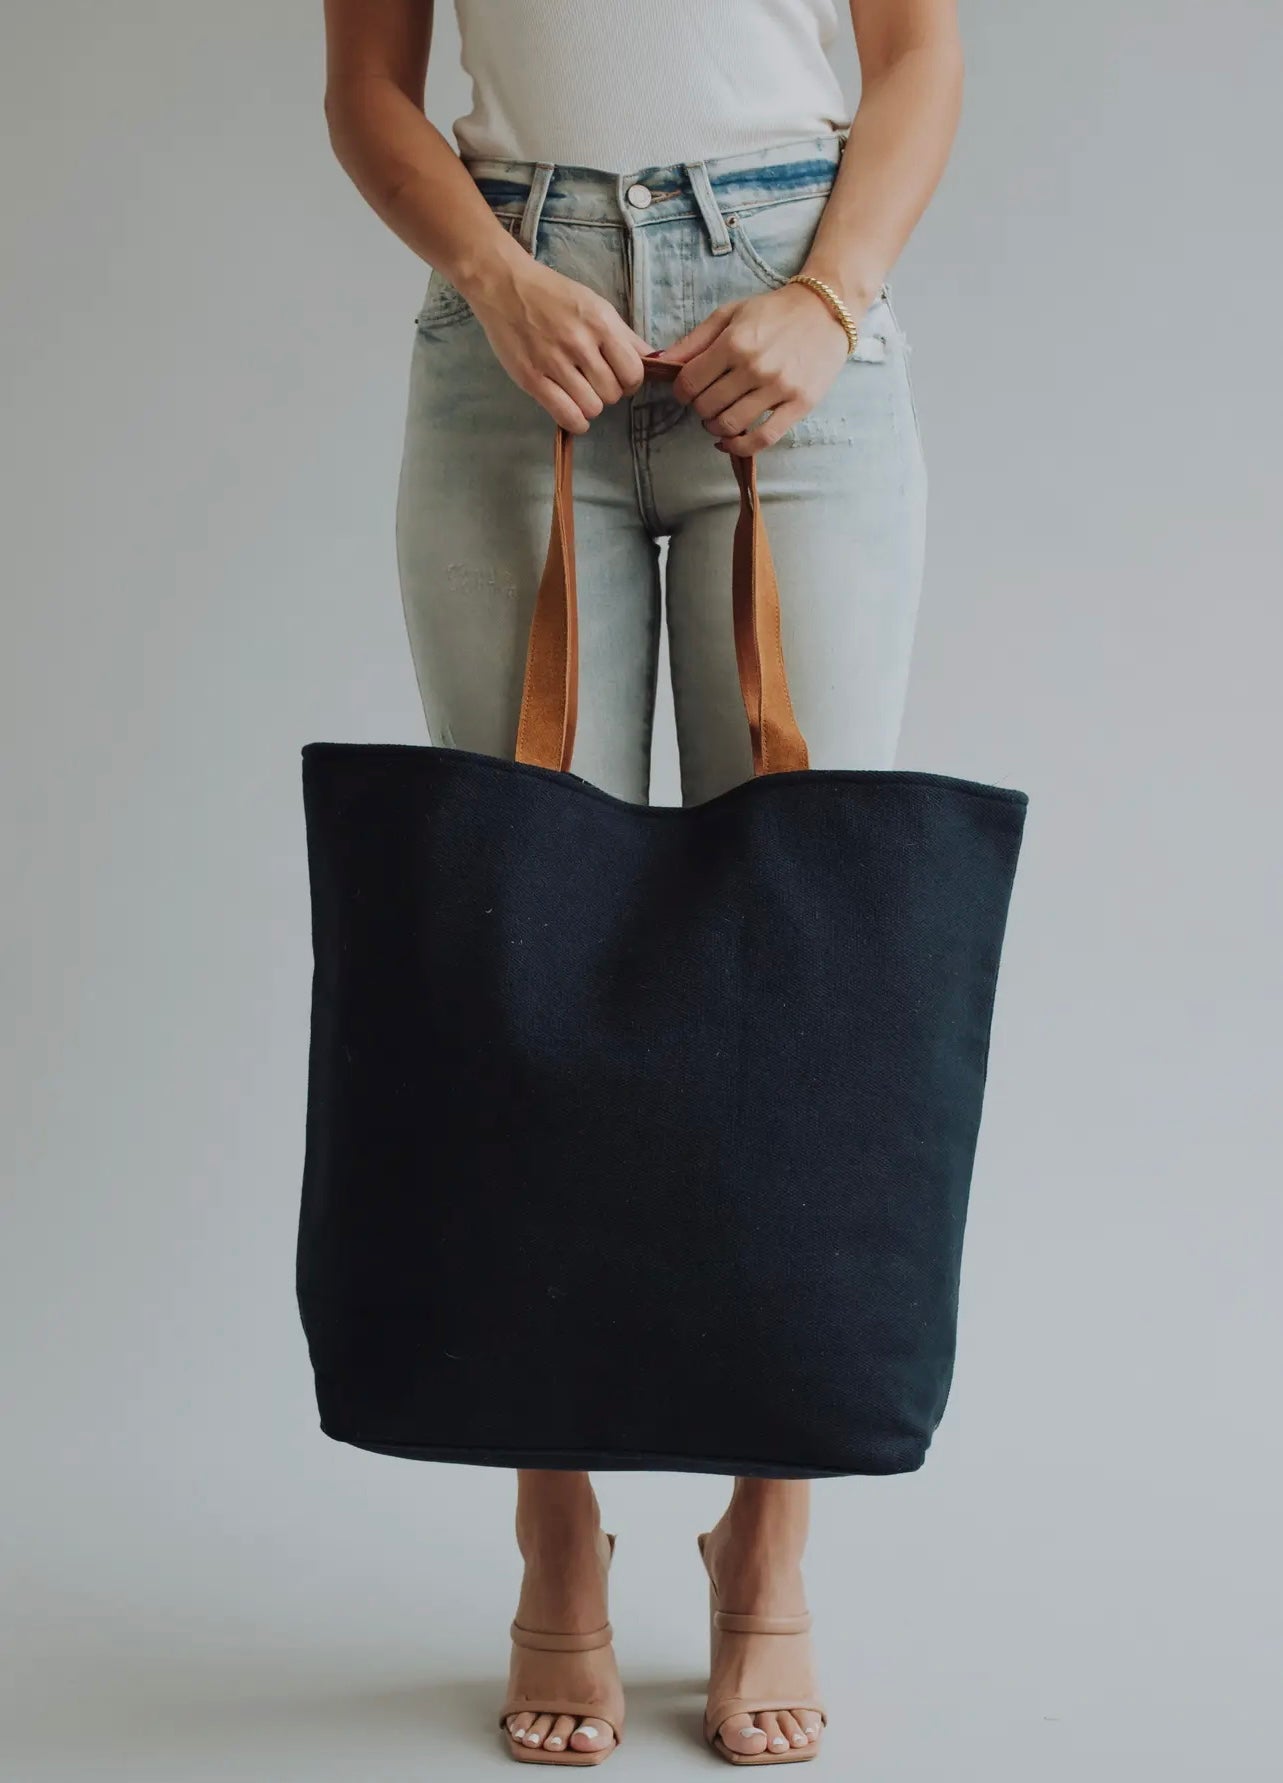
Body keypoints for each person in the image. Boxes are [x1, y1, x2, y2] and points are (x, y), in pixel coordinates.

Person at [321, 0, 963, 1765]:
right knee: (520, 964)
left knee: (804, 956)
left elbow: (916, 56)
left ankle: (769, 1538)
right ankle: (555, 1531)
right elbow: (370, 93)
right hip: (518, 314)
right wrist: (494, 273)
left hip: (794, 315)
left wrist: (829, 295)